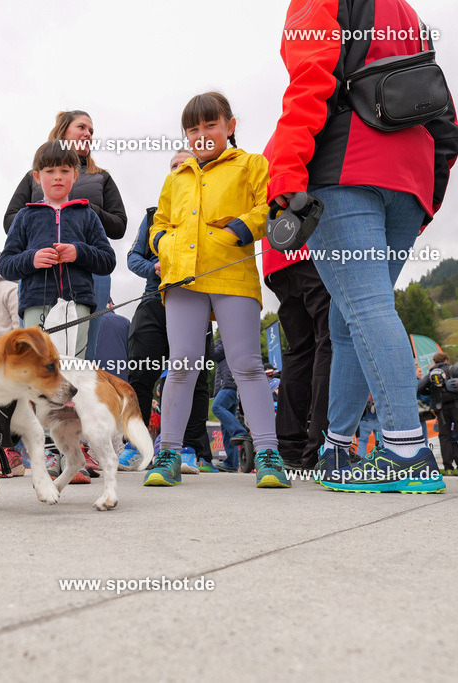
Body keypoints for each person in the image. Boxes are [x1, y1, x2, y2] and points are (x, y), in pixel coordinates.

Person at [268, 0, 458, 493]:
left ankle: (405, 451)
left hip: (347, 167)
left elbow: (310, 81)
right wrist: (427, 193)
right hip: (409, 178)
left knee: (367, 309)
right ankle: (337, 447)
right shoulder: (408, 13)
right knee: (348, 316)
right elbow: (444, 115)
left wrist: (286, 175)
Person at [145, 91, 285, 489]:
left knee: (246, 364)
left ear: (230, 126)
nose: (202, 134)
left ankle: (269, 455)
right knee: (183, 364)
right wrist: (162, 246)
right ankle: (168, 452)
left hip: (232, 275)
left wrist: (243, 228)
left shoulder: (252, 164)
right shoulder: (176, 177)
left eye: (211, 124)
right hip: (182, 281)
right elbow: (161, 224)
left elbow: (270, 206)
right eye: (194, 128)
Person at [4, 110, 127, 359]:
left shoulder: (99, 184)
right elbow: (8, 249)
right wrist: (32, 256)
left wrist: (80, 240)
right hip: (36, 293)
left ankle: (75, 398)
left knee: (78, 358)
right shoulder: (28, 202)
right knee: (34, 364)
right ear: (37, 177)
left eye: (91, 131)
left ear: (74, 175)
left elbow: (115, 237)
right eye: (82, 127)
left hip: (83, 289)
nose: (57, 176)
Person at [125, 150, 214, 469]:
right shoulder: (153, 215)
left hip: (195, 302)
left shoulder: (211, 214)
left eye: (185, 165)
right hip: (153, 302)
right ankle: (134, 446)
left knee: (195, 378)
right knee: (140, 374)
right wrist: (155, 267)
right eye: (173, 166)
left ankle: (189, 449)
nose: (178, 170)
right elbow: (132, 258)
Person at [260, 140, 332, 471]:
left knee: (299, 351)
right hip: (312, 250)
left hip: (278, 258)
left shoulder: (275, 143)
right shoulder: (313, 129)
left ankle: (290, 447)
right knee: (327, 344)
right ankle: (323, 446)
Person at [417, 352, 458, 475]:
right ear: (446, 360)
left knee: (445, 437)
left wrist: (432, 394)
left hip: (441, 409)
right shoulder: (455, 369)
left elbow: (420, 388)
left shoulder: (431, 373)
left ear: (435, 362)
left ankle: (448, 468)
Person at [211, 337, 251, 472]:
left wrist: (208, 343)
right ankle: (231, 463)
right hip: (231, 386)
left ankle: (240, 431)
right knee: (226, 428)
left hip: (229, 385)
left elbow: (214, 355)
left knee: (216, 407)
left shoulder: (225, 339)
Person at [92, 300, 130, 381]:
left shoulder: (90, 322)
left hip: (96, 377)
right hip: (121, 376)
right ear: (111, 305)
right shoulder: (125, 322)